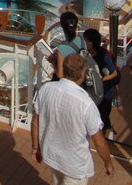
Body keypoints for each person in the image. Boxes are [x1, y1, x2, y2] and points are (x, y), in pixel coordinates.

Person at [30, 53, 114, 184]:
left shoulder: (46, 89)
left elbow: (36, 121)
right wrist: (108, 163)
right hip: (75, 165)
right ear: (82, 75)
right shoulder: (86, 104)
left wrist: (36, 147)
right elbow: (99, 142)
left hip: (52, 155)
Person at [83, 29, 118, 136]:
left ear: (92, 42)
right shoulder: (85, 54)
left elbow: (114, 73)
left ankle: (104, 135)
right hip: (92, 89)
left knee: (103, 115)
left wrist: (102, 79)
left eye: (87, 41)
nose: (85, 43)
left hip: (105, 90)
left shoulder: (104, 56)